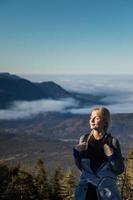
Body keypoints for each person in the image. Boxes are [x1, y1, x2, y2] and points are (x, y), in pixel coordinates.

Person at [73, 107, 124, 200]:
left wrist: (111, 156)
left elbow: (120, 169)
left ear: (105, 122)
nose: (92, 120)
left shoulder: (112, 142)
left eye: (96, 118)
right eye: (91, 118)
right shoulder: (84, 139)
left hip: (106, 193)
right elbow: (82, 168)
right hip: (86, 191)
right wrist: (76, 153)